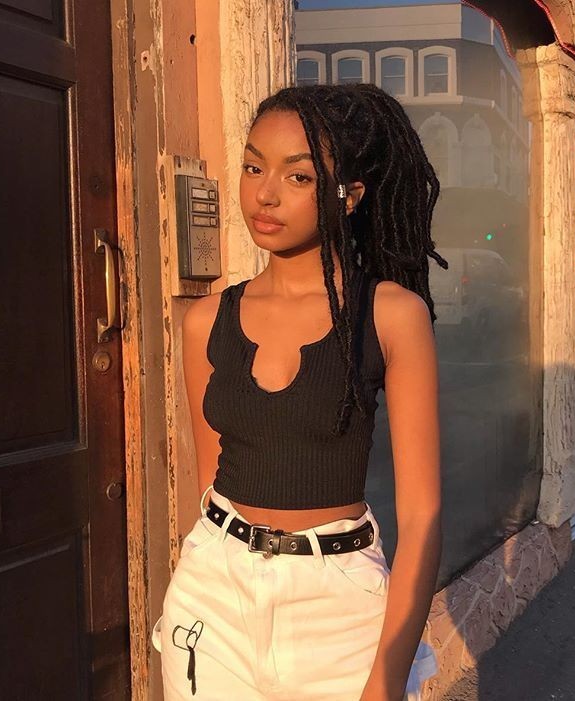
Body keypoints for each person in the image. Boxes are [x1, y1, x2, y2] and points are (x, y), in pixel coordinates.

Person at [152, 83, 448, 700]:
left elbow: (422, 515)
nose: (265, 194)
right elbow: (209, 480)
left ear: (350, 194)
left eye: (299, 176)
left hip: (338, 607)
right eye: (253, 167)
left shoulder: (390, 315)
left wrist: (387, 678)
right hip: (214, 594)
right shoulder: (205, 320)